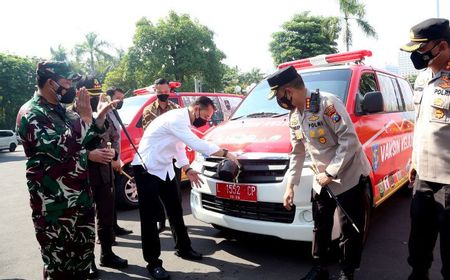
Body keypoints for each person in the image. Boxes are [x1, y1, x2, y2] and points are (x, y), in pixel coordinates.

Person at [268, 66, 371, 280]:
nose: (279, 100)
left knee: (348, 229)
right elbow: (297, 152)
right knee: (320, 226)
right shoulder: (295, 116)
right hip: (321, 180)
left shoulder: (327, 103)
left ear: (288, 91)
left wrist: (332, 173)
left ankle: (346, 272)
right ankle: (320, 268)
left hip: (348, 176)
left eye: (278, 95)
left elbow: (349, 140)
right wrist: (290, 186)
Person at [16, 61, 115, 279]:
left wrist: (98, 121)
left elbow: (86, 139)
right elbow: (61, 148)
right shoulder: (31, 113)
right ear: (51, 83)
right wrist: (87, 118)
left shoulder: (62, 111)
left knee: (81, 265)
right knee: (59, 270)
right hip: (55, 207)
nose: (71, 88)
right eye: (67, 82)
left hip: (81, 200)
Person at [132, 96, 238, 280]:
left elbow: (178, 147)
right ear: (196, 108)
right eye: (206, 116)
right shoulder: (176, 119)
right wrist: (227, 153)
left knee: (175, 210)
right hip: (146, 168)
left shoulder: (183, 121)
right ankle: (153, 263)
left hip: (165, 168)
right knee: (149, 218)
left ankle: (184, 248)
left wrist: (187, 168)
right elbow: (196, 144)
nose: (205, 121)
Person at [400, 18, 450, 280]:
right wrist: (414, 161)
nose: (416, 56)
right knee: (418, 243)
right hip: (423, 178)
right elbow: (420, 124)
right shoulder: (422, 79)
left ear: (442, 45)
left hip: (449, 181)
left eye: (420, 49)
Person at [76, 76, 128, 278]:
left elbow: (114, 137)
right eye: (91, 97)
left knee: (106, 216)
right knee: (85, 220)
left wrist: (114, 155)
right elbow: (70, 146)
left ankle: (107, 253)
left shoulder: (106, 113)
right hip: (85, 174)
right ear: (81, 95)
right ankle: (87, 260)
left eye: (98, 96)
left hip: (105, 173)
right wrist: (90, 155)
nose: (96, 101)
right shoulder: (72, 116)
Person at [142, 78, 180, 233]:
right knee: (157, 192)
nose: (164, 94)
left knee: (175, 192)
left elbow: (179, 131)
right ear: (155, 91)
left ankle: (176, 221)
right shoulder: (148, 110)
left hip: (173, 156)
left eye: (166, 92)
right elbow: (149, 133)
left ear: (170, 91)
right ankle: (160, 219)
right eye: (160, 92)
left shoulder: (176, 108)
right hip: (156, 157)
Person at [104, 86, 134, 238]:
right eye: (118, 98)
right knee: (105, 200)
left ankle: (114, 227)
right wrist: (114, 159)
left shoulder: (114, 112)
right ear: (109, 97)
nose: (120, 101)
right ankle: (104, 234)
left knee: (113, 197)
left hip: (115, 158)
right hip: (107, 161)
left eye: (122, 99)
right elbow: (106, 140)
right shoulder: (103, 113)